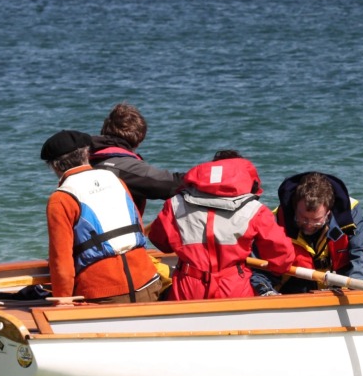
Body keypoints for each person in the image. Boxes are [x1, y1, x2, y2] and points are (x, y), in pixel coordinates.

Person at [148, 152, 295, 301]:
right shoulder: (255, 209)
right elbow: (282, 256)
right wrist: (275, 271)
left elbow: (160, 241)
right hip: (234, 285)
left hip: (188, 285)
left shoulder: (175, 203)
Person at [40, 129, 162, 303]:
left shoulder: (61, 199)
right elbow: (138, 226)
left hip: (102, 294)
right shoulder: (116, 180)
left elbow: (61, 261)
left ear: (56, 166)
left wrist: (62, 300)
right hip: (147, 281)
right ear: (87, 154)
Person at [250, 172, 363, 294]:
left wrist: (354, 291)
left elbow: (362, 252)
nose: (309, 225)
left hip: (341, 285)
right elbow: (259, 270)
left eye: (316, 220)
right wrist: (268, 293)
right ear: (294, 207)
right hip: (294, 289)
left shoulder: (350, 212)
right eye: (303, 218)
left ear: (328, 212)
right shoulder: (274, 221)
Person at [90, 103, 184, 216]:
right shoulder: (124, 167)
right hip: (112, 232)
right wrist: (206, 173)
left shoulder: (86, 157)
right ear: (139, 138)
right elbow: (170, 184)